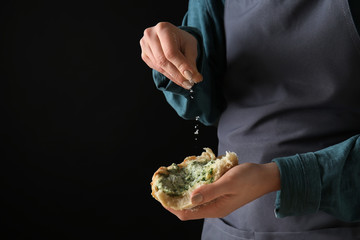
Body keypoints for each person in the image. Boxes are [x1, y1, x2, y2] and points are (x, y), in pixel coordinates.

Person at [140, 0, 360, 239]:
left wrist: (280, 177)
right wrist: (187, 51)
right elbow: (204, 105)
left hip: (334, 225)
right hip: (228, 228)